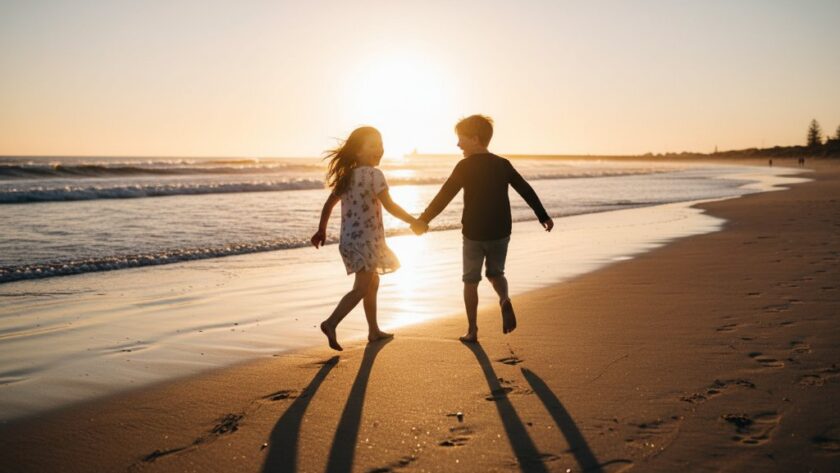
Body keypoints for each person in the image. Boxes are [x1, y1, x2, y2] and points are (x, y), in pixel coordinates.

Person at [411, 115, 553, 343]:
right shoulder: (502, 164)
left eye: (461, 139)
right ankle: (504, 299)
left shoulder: (464, 166)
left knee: (470, 281)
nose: (458, 145)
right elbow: (525, 190)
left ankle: (472, 330)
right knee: (496, 274)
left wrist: (423, 220)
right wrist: (542, 215)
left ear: (475, 139)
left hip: (474, 233)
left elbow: (444, 196)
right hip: (500, 231)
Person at [311, 126, 426, 351]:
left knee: (372, 282)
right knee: (361, 287)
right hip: (367, 241)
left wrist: (321, 230)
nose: (379, 150)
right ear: (357, 152)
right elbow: (390, 205)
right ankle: (331, 323)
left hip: (349, 241)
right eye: (372, 146)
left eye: (381, 145)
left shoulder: (347, 177)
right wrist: (413, 221)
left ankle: (373, 331)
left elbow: (328, 205)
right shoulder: (375, 175)